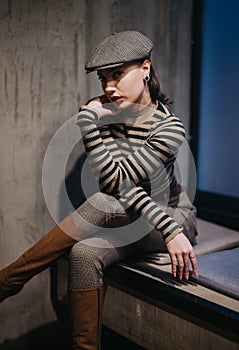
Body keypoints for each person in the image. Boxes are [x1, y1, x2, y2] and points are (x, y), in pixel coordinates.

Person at [0, 31, 198, 349]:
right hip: (128, 211)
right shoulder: (110, 116)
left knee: (103, 201)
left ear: (146, 68)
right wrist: (95, 121)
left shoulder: (168, 128)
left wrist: (171, 229)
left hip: (171, 216)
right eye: (103, 78)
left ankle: (9, 279)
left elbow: (113, 188)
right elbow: (116, 185)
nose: (108, 87)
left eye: (117, 74)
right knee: (82, 253)